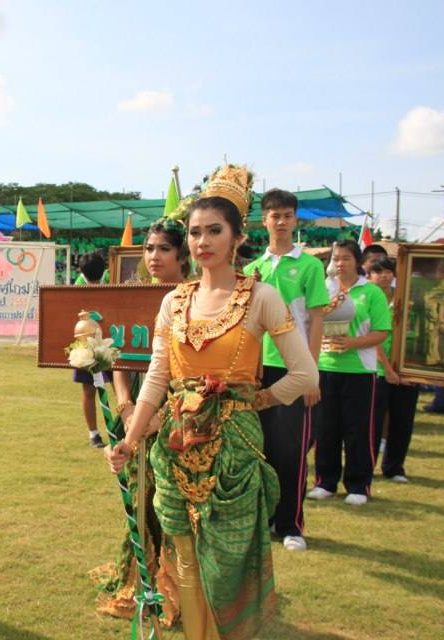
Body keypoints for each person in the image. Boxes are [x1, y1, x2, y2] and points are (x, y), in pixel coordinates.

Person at [106, 164, 317, 640]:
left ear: (239, 237)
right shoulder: (174, 302)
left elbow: (305, 374)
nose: (203, 241)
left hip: (233, 452)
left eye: (214, 231)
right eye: (196, 232)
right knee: (184, 557)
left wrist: (255, 399)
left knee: (226, 563)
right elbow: (158, 377)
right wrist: (132, 438)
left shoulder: (261, 297)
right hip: (176, 447)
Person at [94, 217, 189, 626]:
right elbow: (120, 356)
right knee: (138, 496)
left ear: (182, 255)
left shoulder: (192, 299)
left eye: (163, 249)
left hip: (182, 416)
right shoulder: (132, 296)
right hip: (135, 414)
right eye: (149, 248)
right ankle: (141, 576)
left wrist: (160, 415)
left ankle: (179, 586)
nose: (153, 256)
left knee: (174, 502)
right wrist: (127, 406)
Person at [243, 188, 329, 552]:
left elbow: (316, 320)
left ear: (295, 220)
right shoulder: (251, 269)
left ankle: (290, 524)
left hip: (292, 369)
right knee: (257, 449)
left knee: (291, 448)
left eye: (287, 215)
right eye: (274, 215)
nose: (280, 222)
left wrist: (310, 372)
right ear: (263, 220)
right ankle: (261, 520)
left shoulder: (309, 266)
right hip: (254, 371)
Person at [308, 239, 391, 506]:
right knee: (325, 428)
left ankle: (358, 484)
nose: (340, 263)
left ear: (358, 262)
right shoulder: (324, 289)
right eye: (336, 258)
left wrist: (353, 343)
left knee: (358, 430)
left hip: (359, 371)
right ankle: (325, 481)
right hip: (325, 367)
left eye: (346, 258)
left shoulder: (371, 292)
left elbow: (381, 332)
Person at [368, 256, 419, 482]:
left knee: (402, 421)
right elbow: (372, 338)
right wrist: (388, 369)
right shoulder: (367, 299)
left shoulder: (406, 300)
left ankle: (394, 467)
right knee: (372, 424)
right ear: (369, 276)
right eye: (378, 272)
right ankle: (365, 467)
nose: (385, 276)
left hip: (406, 372)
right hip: (376, 371)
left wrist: (411, 370)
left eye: (388, 271)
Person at [74, 251, 111, 447]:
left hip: (96, 346)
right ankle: (95, 434)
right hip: (100, 345)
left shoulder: (77, 289)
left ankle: (95, 434)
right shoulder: (109, 286)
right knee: (95, 389)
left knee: (89, 390)